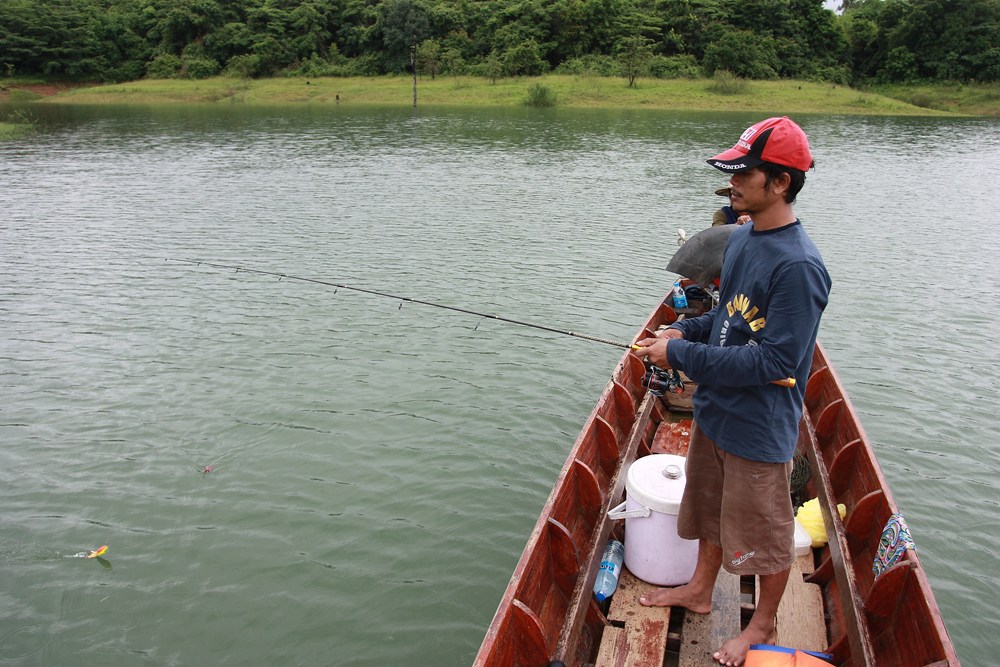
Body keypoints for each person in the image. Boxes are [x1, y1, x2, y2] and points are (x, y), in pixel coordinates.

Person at [631, 116, 831, 667]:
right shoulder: (743, 238)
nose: (732, 181)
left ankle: (760, 625)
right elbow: (725, 318)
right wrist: (680, 330)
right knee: (709, 510)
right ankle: (699, 588)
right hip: (715, 410)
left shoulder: (799, 266)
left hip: (759, 426)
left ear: (781, 183)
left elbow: (776, 361)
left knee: (766, 537)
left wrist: (680, 356)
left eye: (744, 171)